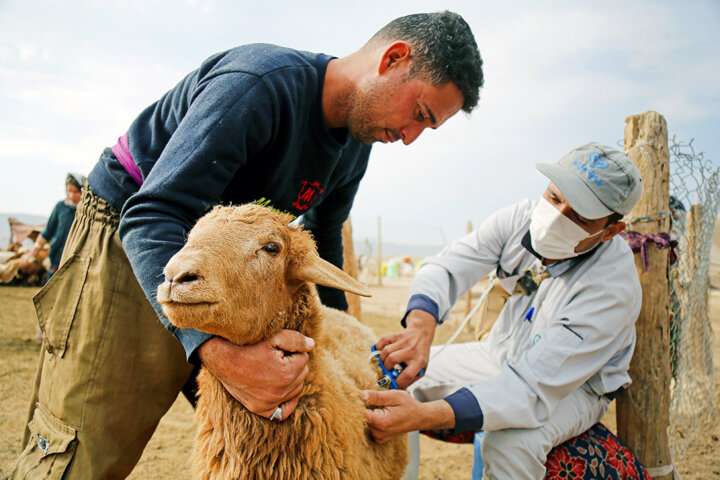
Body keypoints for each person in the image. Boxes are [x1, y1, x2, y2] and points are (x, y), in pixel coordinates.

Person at [6, 11, 484, 479]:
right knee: (86, 447)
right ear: (393, 59)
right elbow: (154, 213)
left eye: (428, 128)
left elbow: (322, 245)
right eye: (419, 114)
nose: (409, 138)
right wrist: (216, 353)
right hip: (135, 238)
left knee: (271, 439)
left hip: (238, 278)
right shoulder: (259, 84)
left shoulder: (355, 144)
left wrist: (344, 356)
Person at [364, 142, 643, 479]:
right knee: (389, 380)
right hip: (498, 354)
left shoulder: (610, 288)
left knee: (511, 442)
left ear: (610, 231)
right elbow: (445, 268)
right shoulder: (518, 220)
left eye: (579, 217)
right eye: (554, 197)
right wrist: (418, 332)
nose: (557, 217)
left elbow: (531, 388)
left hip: (572, 387)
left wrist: (425, 415)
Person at [21, 173, 84, 282]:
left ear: (83, 191)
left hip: (77, 262)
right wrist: (34, 252)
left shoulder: (86, 211)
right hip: (56, 260)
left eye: (75, 192)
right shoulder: (60, 207)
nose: (71, 195)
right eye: (69, 191)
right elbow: (47, 232)